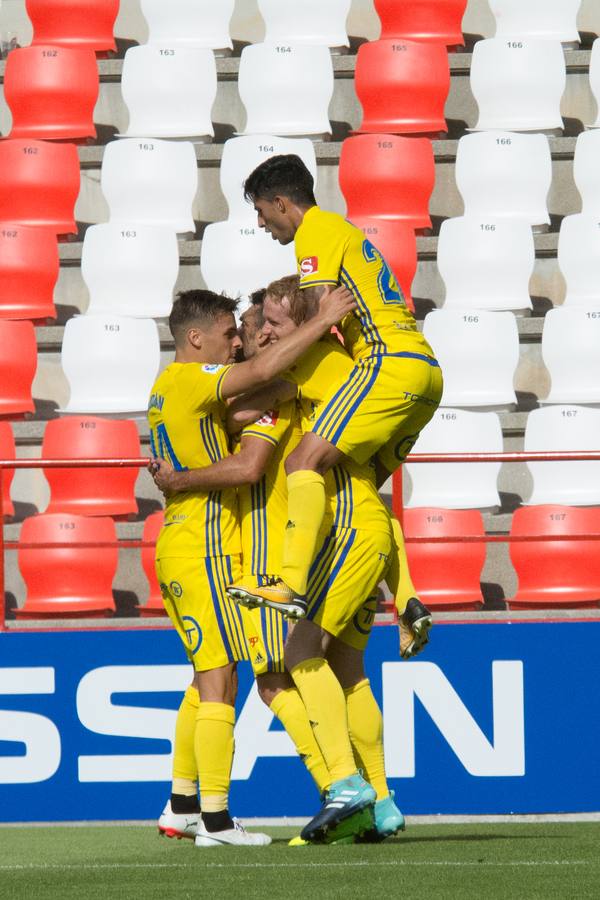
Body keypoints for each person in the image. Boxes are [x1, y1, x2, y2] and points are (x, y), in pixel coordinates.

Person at [151, 290, 405, 843]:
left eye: (259, 327)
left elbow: (250, 459)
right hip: (300, 539)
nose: (243, 340)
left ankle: (342, 788)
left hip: (274, 549)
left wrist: (285, 377)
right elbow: (249, 407)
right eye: (239, 330)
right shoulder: (227, 383)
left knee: (268, 671)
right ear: (199, 338)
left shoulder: (259, 392)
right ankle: (351, 795)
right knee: (259, 675)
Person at [227, 156, 442, 649]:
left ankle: (291, 584)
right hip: (424, 374)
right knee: (364, 488)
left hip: (386, 362)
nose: (261, 223)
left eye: (262, 211)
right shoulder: (343, 233)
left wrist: (299, 339)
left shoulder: (315, 231)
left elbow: (321, 307)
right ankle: (408, 599)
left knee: (304, 460)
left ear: (282, 203)